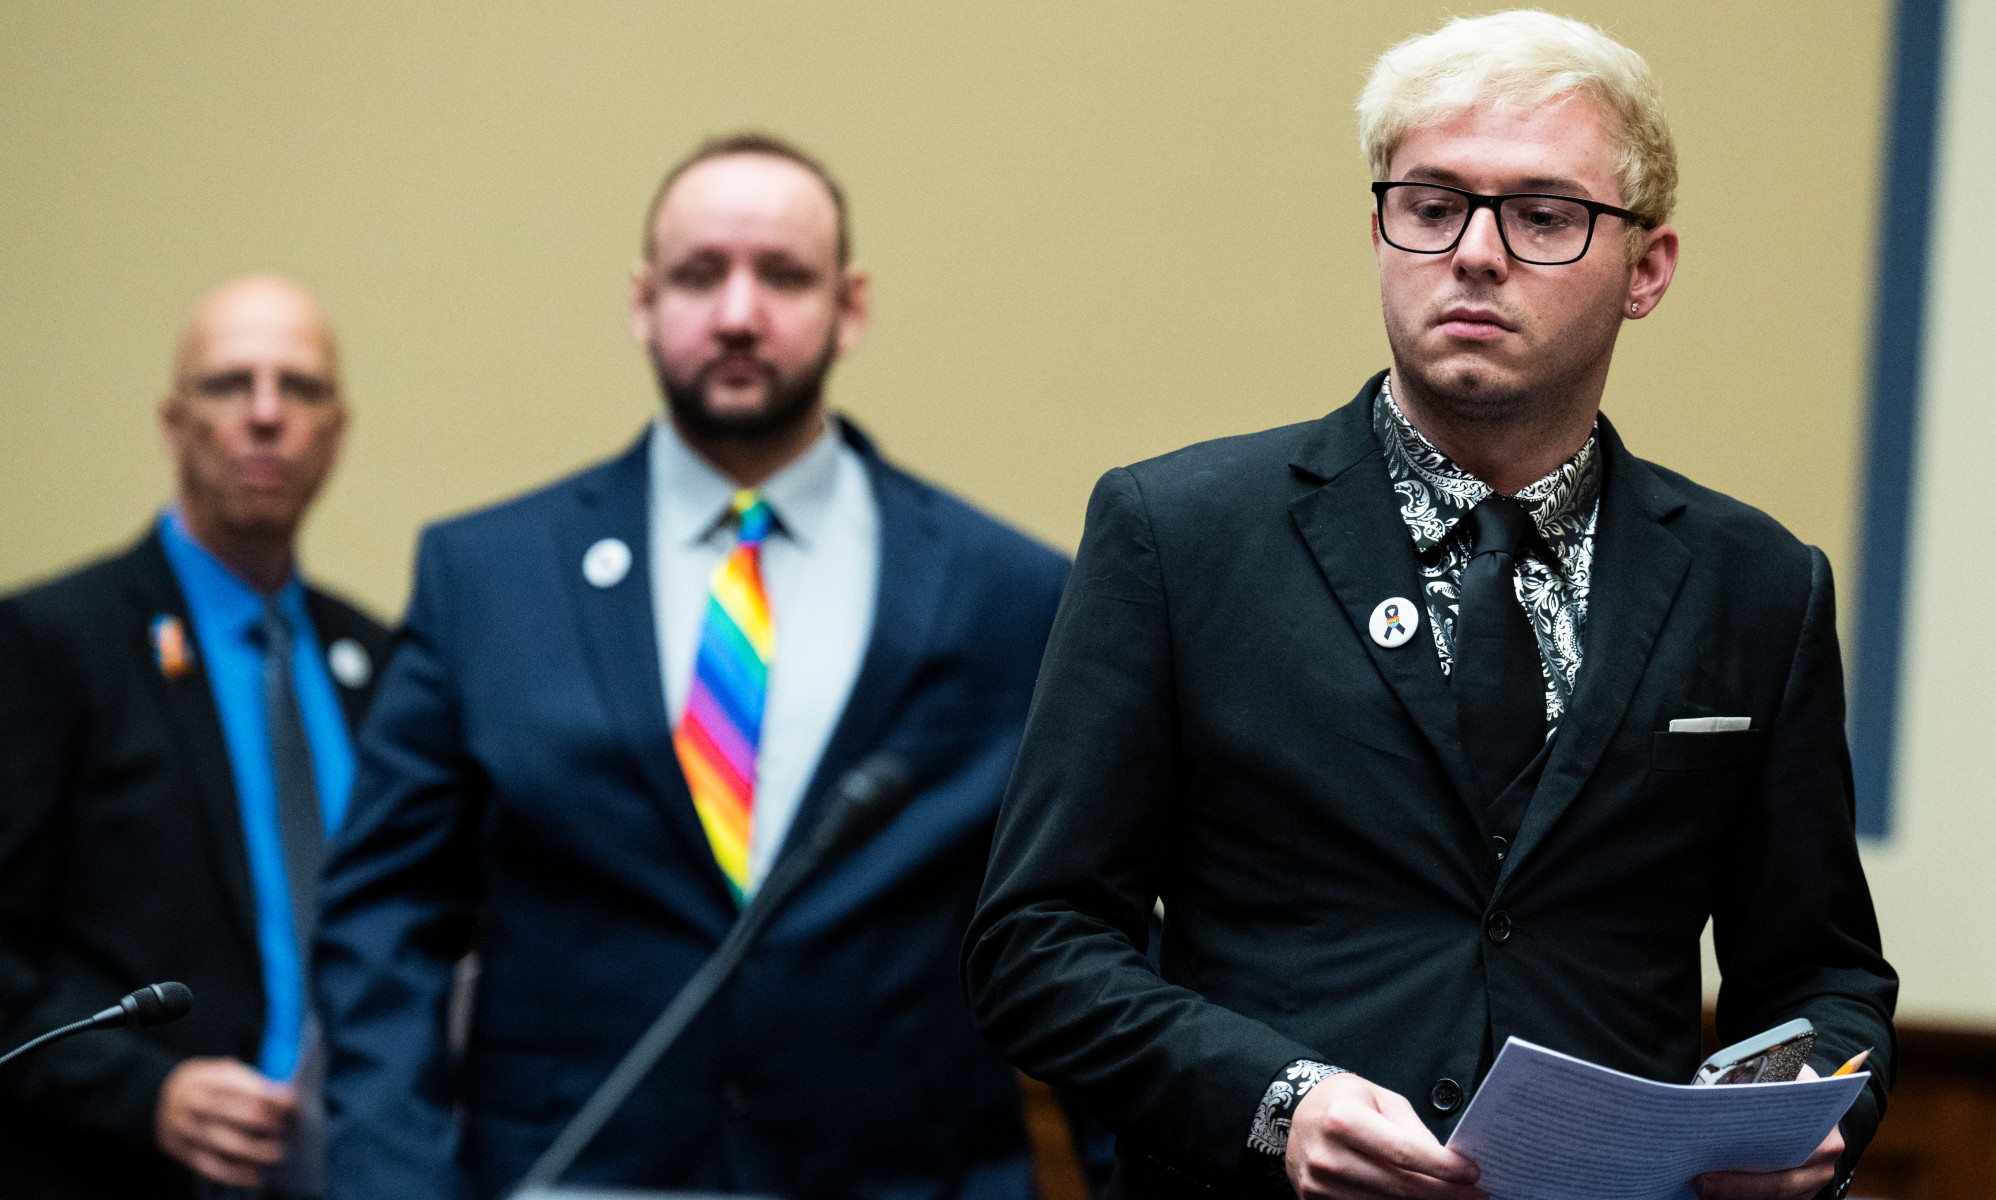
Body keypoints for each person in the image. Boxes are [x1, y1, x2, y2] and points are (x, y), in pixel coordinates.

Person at [962, 13, 1896, 1200]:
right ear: (1379, 232)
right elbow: (1036, 943)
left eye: (1543, 215)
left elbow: (1821, 975)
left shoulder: (1754, 582)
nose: (1475, 253)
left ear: (1647, 269)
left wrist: (1806, 1111)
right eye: (1431, 205)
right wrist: (1275, 1104)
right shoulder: (1178, 535)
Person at [314, 132, 1070, 1200]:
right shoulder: (487, 579)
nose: (738, 313)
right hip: (573, 1176)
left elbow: (1084, 928)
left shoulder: (1009, 592)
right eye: (700, 274)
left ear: (851, 307)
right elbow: (384, 916)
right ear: (642, 301)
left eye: (785, 276)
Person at [0, 276, 391, 1198]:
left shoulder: (380, 662)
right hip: (123, 1173)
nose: (267, 414)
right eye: (229, 384)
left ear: (337, 432)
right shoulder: (57, 643)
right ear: (174, 424)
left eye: (301, 388)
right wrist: (147, 1094)